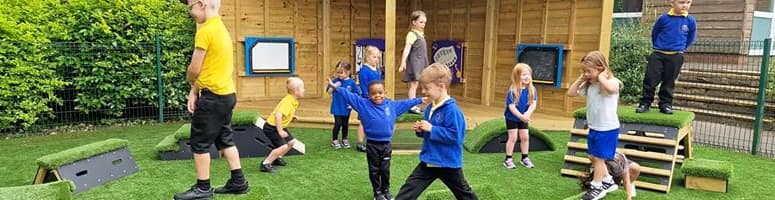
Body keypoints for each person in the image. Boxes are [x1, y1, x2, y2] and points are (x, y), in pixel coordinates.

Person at [174, 0, 248, 199]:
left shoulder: (205, 31)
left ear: (201, 4)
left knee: (199, 142)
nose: (190, 12)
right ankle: (238, 181)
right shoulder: (221, 28)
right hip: (226, 95)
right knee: (224, 138)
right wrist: (194, 90)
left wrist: (190, 82)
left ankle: (203, 188)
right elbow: (209, 69)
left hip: (213, 98)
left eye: (190, 7)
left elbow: (195, 69)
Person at [328, 79, 425, 200]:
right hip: (372, 145)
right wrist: (336, 87)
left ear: (384, 92)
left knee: (385, 170)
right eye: (374, 93)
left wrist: (420, 99)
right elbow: (350, 96)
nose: (377, 95)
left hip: (386, 145)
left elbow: (405, 103)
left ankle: (386, 190)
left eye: (380, 92)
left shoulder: (391, 106)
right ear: (369, 95)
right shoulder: (363, 104)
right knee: (374, 170)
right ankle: (377, 192)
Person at [395, 63, 478, 200]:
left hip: (448, 163)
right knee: (408, 190)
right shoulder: (429, 108)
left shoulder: (453, 111)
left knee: (464, 194)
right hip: (429, 161)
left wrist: (431, 128)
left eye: (427, 88)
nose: (423, 91)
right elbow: (430, 133)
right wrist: (421, 130)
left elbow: (456, 137)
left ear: (441, 86)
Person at [567, 51, 623, 200]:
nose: (586, 74)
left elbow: (612, 89)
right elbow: (571, 93)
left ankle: (597, 186)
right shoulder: (590, 86)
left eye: (589, 71)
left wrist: (601, 76)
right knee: (593, 157)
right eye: (584, 71)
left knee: (598, 158)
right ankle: (608, 181)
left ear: (601, 68)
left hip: (608, 129)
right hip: (595, 128)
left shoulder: (612, 82)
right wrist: (581, 78)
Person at [636, 0, 696, 115]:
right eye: (681, 2)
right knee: (650, 79)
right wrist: (658, 47)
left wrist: (680, 48)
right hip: (658, 54)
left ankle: (665, 105)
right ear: (672, 3)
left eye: (688, 2)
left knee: (669, 82)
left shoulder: (690, 21)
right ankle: (645, 103)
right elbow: (655, 33)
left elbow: (690, 38)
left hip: (676, 56)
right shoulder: (663, 19)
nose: (685, 5)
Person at [260, 77, 305, 173]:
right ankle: (265, 164)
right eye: (302, 88)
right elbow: (278, 116)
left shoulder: (293, 100)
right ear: (296, 91)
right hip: (272, 127)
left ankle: (276, 158)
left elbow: (285, 113)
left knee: (291, 143)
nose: (304, 90)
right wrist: (280, 131)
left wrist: (291, 117)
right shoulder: (288, 102)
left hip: (278, 126)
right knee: (283, 146)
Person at [503, 63, 538, 169]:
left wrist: (527, 114)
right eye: (523, 75)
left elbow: (533, 103)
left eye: (528, 74)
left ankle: (525, 158)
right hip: (512, 117)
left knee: (525, 137)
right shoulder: (512, 90)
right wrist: (521, 116)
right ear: (517, 77)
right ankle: (508, 159)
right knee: (513, 137)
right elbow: (511, 107)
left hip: (524, 117)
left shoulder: (532, 89)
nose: (527, 77)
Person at [398, 10, 428, 115]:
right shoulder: (412, 34)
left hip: (421, 62)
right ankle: (412, 106)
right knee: (414, 85)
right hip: (415, 63)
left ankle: (414, 104)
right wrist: (403, 62)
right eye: (421, 22)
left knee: (417, 84)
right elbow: (407, 49)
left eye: (424, 22)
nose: (423, 25)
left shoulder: (421, 34)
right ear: (414, 22)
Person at [355, 46, 384, 152]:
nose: (376, 59)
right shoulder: (364, 70)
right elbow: (363, 86)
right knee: (363, 121)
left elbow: (379, 84)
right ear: (367, 57)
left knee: (373, 120)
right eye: (374, 57)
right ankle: (360, 143)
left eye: (378, 57)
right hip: (367, 100)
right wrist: (368, 97)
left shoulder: (377, 69)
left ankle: (372, 141)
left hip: (377, 99)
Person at [326, 61, 359, 149]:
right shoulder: (335, 81)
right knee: (338, 123)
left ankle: (345, 139)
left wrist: (352, 105)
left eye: (341, 72)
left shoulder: (351, 82)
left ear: (348, 72)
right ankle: (335, 140)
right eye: (338, 72)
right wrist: (332, 86)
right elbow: (329, 92)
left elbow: (356, 94)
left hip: (346, 108)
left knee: (345, 124)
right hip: (337, 107)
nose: (339, 75)